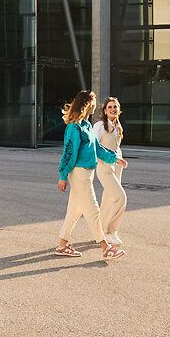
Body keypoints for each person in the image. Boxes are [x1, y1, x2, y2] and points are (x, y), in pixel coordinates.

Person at [53, 90, 121, 260]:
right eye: (93, 102)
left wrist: (114, 158)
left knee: (74, 211)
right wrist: (63, 176)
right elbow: (68, 153)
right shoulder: (74, 127)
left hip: (87, 174)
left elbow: (97, 148)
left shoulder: (87, 125)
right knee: (93, 211)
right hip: (79, 175)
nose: (95, 106)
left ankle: (62, 244)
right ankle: (106, 248)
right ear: (87, 104)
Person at [93, 95, 129, 256]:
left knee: (108, 200)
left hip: (117, 166)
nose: (113, 109)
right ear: (105, 110)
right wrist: (100, 161)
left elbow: (116, 147)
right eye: (110, 107)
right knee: (120, 197)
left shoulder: (118, 126)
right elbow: (93, 146)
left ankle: (99, 232)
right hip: (104, 167)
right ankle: (110, 231)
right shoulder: (100, 125)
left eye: (115, 107)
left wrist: (120, 160)